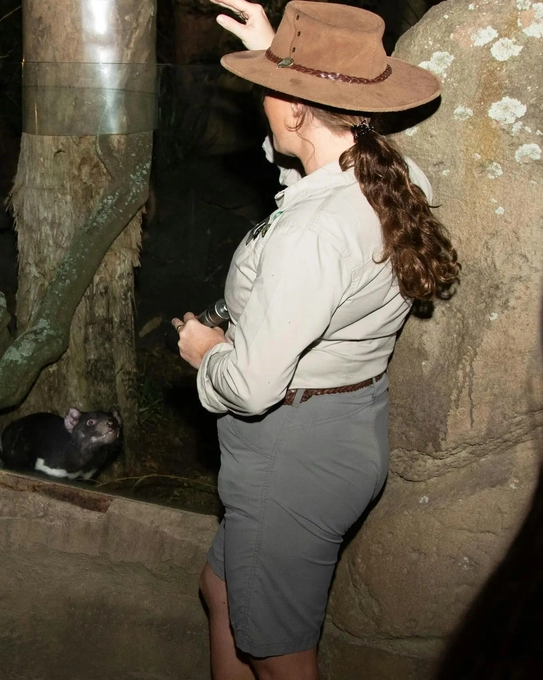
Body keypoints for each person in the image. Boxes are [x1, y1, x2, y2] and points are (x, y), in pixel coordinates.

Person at [172, 2, 460, 678]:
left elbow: (250, 385)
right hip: (346, 429)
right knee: (222, 591)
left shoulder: (312, 237)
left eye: (271, 92)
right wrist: (282, 53)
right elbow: (309, 183)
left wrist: (207, 354)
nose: (258, 106)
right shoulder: (390, 177)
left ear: (299, 110)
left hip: (289, 456)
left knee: (277, 656)